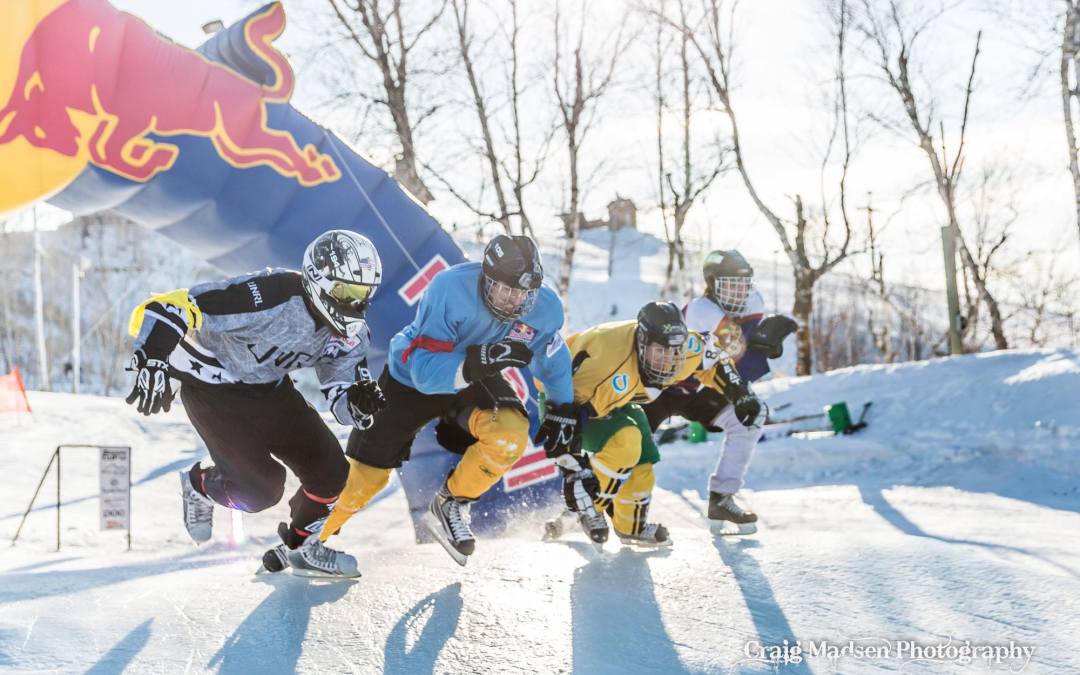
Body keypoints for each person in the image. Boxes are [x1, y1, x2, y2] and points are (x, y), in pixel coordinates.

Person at [124, 230, 388, 577]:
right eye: (346, 293)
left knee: (331, 472)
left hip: (268, 390)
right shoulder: (270, 293)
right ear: (318, 279)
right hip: (212, 390)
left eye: (363, 295)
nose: (356, 306)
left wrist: (357, 404)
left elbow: (340, 395)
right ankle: (200, 485)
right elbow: (175, 305)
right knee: (259, 492)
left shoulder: (351, 334)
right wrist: (155, 354)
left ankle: (301, 546)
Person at [316, 234, 577, 566]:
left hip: (477, 374)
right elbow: (425, 372)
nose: (515, 302)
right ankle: (309, 538)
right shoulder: (449, 290)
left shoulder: (543, 308)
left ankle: (452, 502)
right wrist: (476, 362)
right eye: (507, 290)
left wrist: (563, 407)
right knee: (364, 481)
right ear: (487, 279)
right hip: (413, 376)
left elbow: (551, 357)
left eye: (524, 293)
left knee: (510, 433)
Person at [546, 301, 765, 547]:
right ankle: (582, 510)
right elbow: (563, 411)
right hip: (566, 398)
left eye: (675, 352)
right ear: (641, 343)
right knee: (625, 442)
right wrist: (574, 470)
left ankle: (630, 526)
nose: (669, 362)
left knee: (645, 458)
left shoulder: (681, 347)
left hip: (619, 399)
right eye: (660, 352)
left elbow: (715, 357)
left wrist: (740, 394)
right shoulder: (606, 361)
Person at [642, 250, 796, 534]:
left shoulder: (754, 300)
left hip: (701, 386)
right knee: (631, 443)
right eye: (731, 284)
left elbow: (736, 365)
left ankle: (722, 498)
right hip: (663, 386)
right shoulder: (703, 309)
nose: (739, 292)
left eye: (744, 284)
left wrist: (763, 346)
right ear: (712, 284)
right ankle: (585, 503)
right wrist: (762, 347)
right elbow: (742, 362)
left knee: (749, 418)